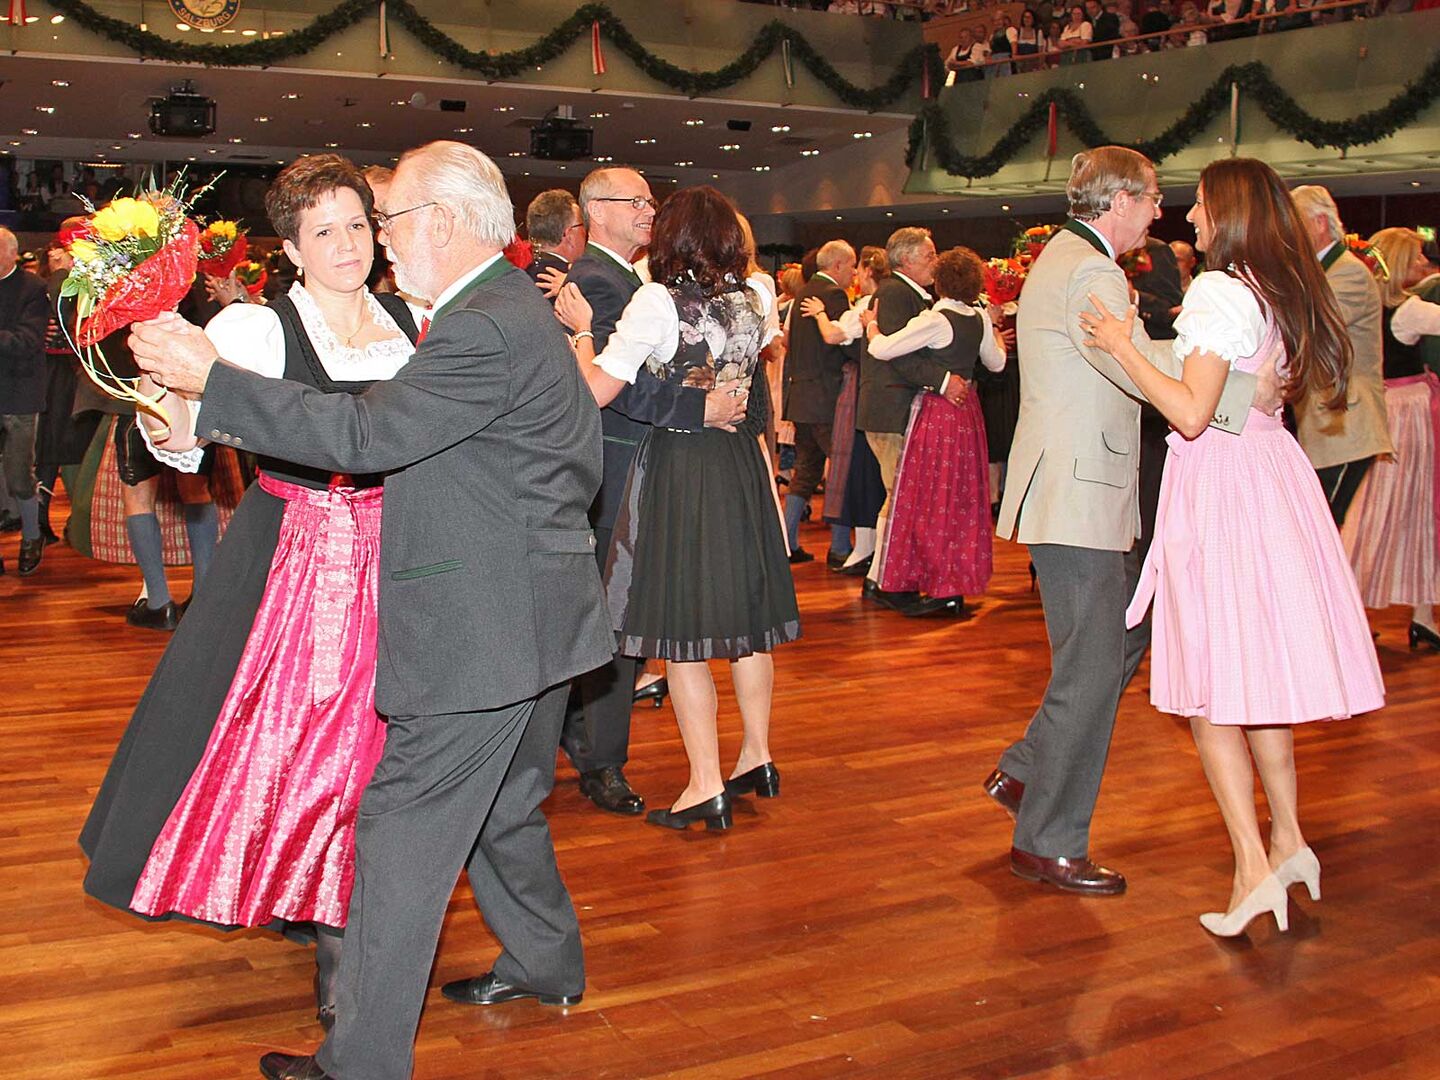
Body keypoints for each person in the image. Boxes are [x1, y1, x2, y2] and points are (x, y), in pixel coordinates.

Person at [128, 139, 614, 1080]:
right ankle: (547, 960)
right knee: (505, 806)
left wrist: (212, 381)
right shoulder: (509, 307)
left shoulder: (479, 325)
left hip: (486, 626)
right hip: (539, 609)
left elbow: (364, 435)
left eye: (386, 220)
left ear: (441, 222)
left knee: (397, 833)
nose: (380, 241)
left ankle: (362, 1062)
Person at [80, 154, 419, 1039]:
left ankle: (349, 916)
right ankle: (330, 935)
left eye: (357, 225)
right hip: (295, 558)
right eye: (323, 231)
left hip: (404, 556)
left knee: (384, 753)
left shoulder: (412, 319)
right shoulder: (256, 328)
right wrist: (163, 386)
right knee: (301, 751)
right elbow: (187, 443)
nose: (346, 244)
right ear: (292, 250)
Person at [1079, 156, 1384, 935]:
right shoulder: (1278, 286)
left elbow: (1189, 412)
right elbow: (1234, 392)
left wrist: (1121, 344)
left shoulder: (1219, 290)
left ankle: (1252, 869)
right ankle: (1288, 841)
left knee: (1213, 688)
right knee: (1256, 678)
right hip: (1269, 474)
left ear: (1233, 213)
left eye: (1203, 206)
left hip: (1223, 486)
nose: (1191, 218)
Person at [990, 146, 1279, 897]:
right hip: (1078, 494)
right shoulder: (1092, 271)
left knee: (1121, 638)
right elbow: (1135, 369)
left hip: (1075, 490)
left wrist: (1214, 367)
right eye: (1151, 197)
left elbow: (1138, 354)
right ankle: (1049, 842)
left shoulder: (1073, 258)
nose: (1161, 211)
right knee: (1091, 666)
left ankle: (1027, 770)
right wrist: (1242, 391)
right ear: (1118, 201)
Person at [555, 187, 799, 833]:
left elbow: (596, 390)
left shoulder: (658, 301)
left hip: (681, 467)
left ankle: (705, 784)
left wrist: (583, 334)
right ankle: (757, 754)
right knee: (746, 619)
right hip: (738, 462)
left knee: (683, 629)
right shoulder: (757, 297)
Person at [862, 246, 1007, 605]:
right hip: (968, 413)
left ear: (940, 280)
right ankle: (954, 583)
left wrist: (871, 326)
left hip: (938, 414)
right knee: (961, 498)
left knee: (930, 498)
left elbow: (882, 349)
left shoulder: (936, 318)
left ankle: (937, 582)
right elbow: (997, 363)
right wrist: (995, 327)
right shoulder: (978, 317)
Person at [857, 227, 967, 616]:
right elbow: (896, 354)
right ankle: (885, 580)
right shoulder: (894, 294)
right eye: (929, 255)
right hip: (892, 408)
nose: (936, 262)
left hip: (895, 407)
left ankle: (882, 577)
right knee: (901, 496)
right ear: (906, 260)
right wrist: (943, 380)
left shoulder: (907, 294)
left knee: (901, 496)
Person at [1339, 227, 1440, 650]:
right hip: (1405, 416)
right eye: (1416, 256)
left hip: (1379, 409)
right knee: (1394, 510)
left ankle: (1418, 615)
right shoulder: (1409, 309)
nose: (1424, 263)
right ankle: (1350, 612)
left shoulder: (1365, 303)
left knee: (1384, 509)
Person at [1289, 185, 1394, 527]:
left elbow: (1312, 330)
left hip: (1346, 425)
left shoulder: (1349, 272)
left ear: (1320, 223)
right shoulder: (1323, 271)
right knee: (1318, 530)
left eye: (1295, 222)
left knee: (1321, 529)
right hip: (1328, 426)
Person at [800, 244, 890, 575]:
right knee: (876, 473)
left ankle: (863, 551)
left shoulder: (864, 306)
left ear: (868, 271)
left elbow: (831, 335)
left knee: (857, 469)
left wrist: (820, 313)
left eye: (858, 269)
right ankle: (870, 551)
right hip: (888, 394)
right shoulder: (895, 302)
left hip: (862, 392)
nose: (854, 275)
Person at [783, 238, 859, 564]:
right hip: (828, 399)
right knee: (842, 470)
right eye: (852, 266)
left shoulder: (801, 294)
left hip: (801, 397)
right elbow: (846, 344)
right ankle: (840, 547)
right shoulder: (834, 295)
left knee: (806, 471)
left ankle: (787, 542)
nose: (854, 273)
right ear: (837, 265)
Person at [0, 225, 54, 576]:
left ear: (11, 253)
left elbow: (28, 341)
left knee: (20, 475)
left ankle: (32, 536)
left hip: (19, 394)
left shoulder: (33, 288)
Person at [524, 188, 586, 297]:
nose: (586, 231)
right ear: (569, 236)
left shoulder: (518, 273)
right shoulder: (576, 283)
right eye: (583, 225)